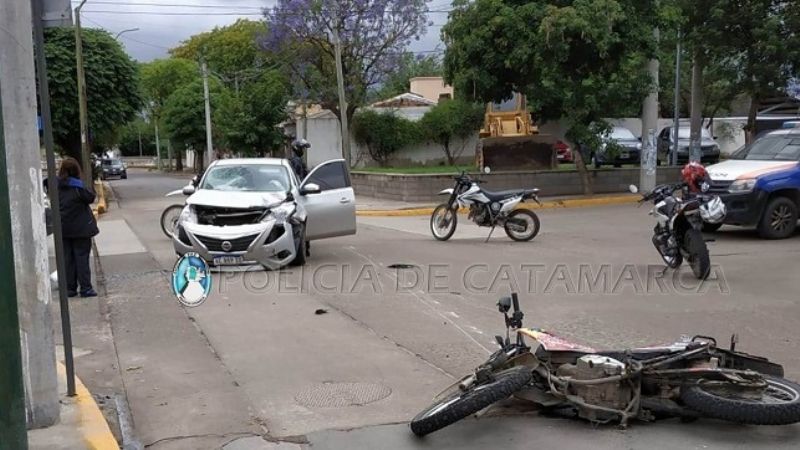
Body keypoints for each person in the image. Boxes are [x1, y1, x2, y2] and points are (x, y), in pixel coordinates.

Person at [58, 157, 100, 297]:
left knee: (67, 259)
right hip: (81, 229)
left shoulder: (56, 186)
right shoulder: (78, 187)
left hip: (63, 228)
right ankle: (85, 288)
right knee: (81, 258)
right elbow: (90, 197)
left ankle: (70, 288)